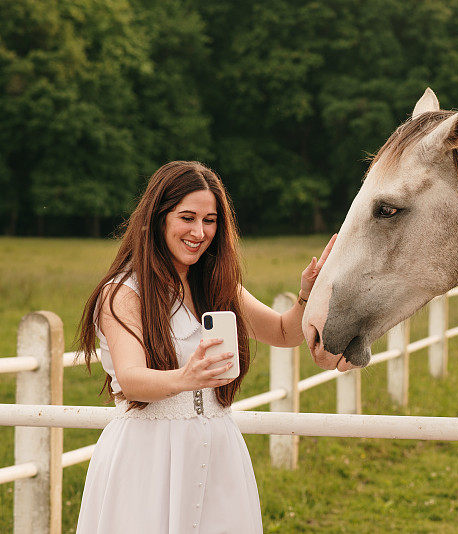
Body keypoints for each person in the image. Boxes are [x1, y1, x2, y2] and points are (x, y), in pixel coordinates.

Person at [74, 161, 335, 533]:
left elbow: (282, 333)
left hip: (219, 449)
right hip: (147, 455)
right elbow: (130, 379)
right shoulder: (124, 292)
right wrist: (186, 377)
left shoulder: (216, 284)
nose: (199, 232)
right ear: (158, 218)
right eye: (187, 217)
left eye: (210, 220)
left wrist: (307, 293)